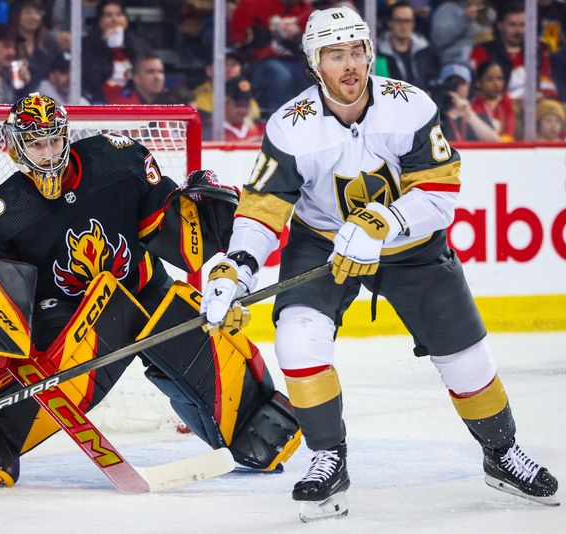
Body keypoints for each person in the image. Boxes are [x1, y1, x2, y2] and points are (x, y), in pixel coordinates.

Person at [200, 6, 559, 523]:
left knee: (468, 359)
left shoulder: (409, 106)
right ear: (313, 64)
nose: (350, 65)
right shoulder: (291, 126)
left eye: (357, 51)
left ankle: (502, 454)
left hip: (412, 246)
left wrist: (383, 223)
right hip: (324, 243)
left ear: (371, 53)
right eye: (335, 55)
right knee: (298, 338)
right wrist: (236, 268)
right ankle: (328, 456)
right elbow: (262, 210)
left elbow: (438, 194)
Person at [0, 92, 302, 487]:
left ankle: (252, 423)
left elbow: (162, 212)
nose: (47, 153)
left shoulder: (113, 158)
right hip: (71, 311)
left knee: (194, 338)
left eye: (54, 140)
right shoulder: (8, 206)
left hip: (144, 288)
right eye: (36, 144)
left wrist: (195, 210)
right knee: (61, 370)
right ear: (16, 147)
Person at [470, 1, 559, 101]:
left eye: (522, 25)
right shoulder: (482, 51)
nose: (518, 30)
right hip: (496, 108)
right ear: (500, 25)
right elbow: (474, 89)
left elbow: (548, 86)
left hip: (535, 109)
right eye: (512, 25)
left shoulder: (538, 50)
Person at [81, 0, 150, 103]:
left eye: (119, 14)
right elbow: (92, 78)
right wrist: (103, 45)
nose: (115, 20)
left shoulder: (139, 44)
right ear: (100, 20)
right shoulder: (88, 45)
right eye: (108, 15)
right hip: (99, 102)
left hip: (134, 102)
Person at [376, 0, 438, 91]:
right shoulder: (378, 53)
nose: (404, 26)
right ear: (390, 22)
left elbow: (433, 81)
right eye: (399, 21)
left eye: (408, 21)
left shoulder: (426, 51)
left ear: (413, 24)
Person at [433, 62, 499, 142]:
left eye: (461, 82)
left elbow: (494, 141)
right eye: (450, 82)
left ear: (469, 86)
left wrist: (469, 114)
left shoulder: (478, 111)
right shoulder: (434, 111)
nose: (456, 87)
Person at [471, 60, 516, 141]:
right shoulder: (472, 106)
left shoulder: (507, 103)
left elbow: (510, 134)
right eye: (490, 79)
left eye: (500, 79)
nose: (496, 84)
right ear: (478, 82)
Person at [221, 75, 265, 143]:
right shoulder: (212, 130)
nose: (243, 111)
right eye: (238, 105)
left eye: (246, 105)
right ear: (225, 103)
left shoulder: (260, 128)